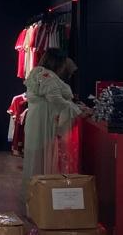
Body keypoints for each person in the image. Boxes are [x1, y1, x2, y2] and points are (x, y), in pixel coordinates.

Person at [22, 49, 86, 193]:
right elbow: (55, 99)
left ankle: (36, 195)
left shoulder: (38, 73)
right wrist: (77, 110)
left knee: (36, 158)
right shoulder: (48, 76)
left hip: (37, 122)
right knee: (45, 157)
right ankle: (45, 195)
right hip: (45, 123)